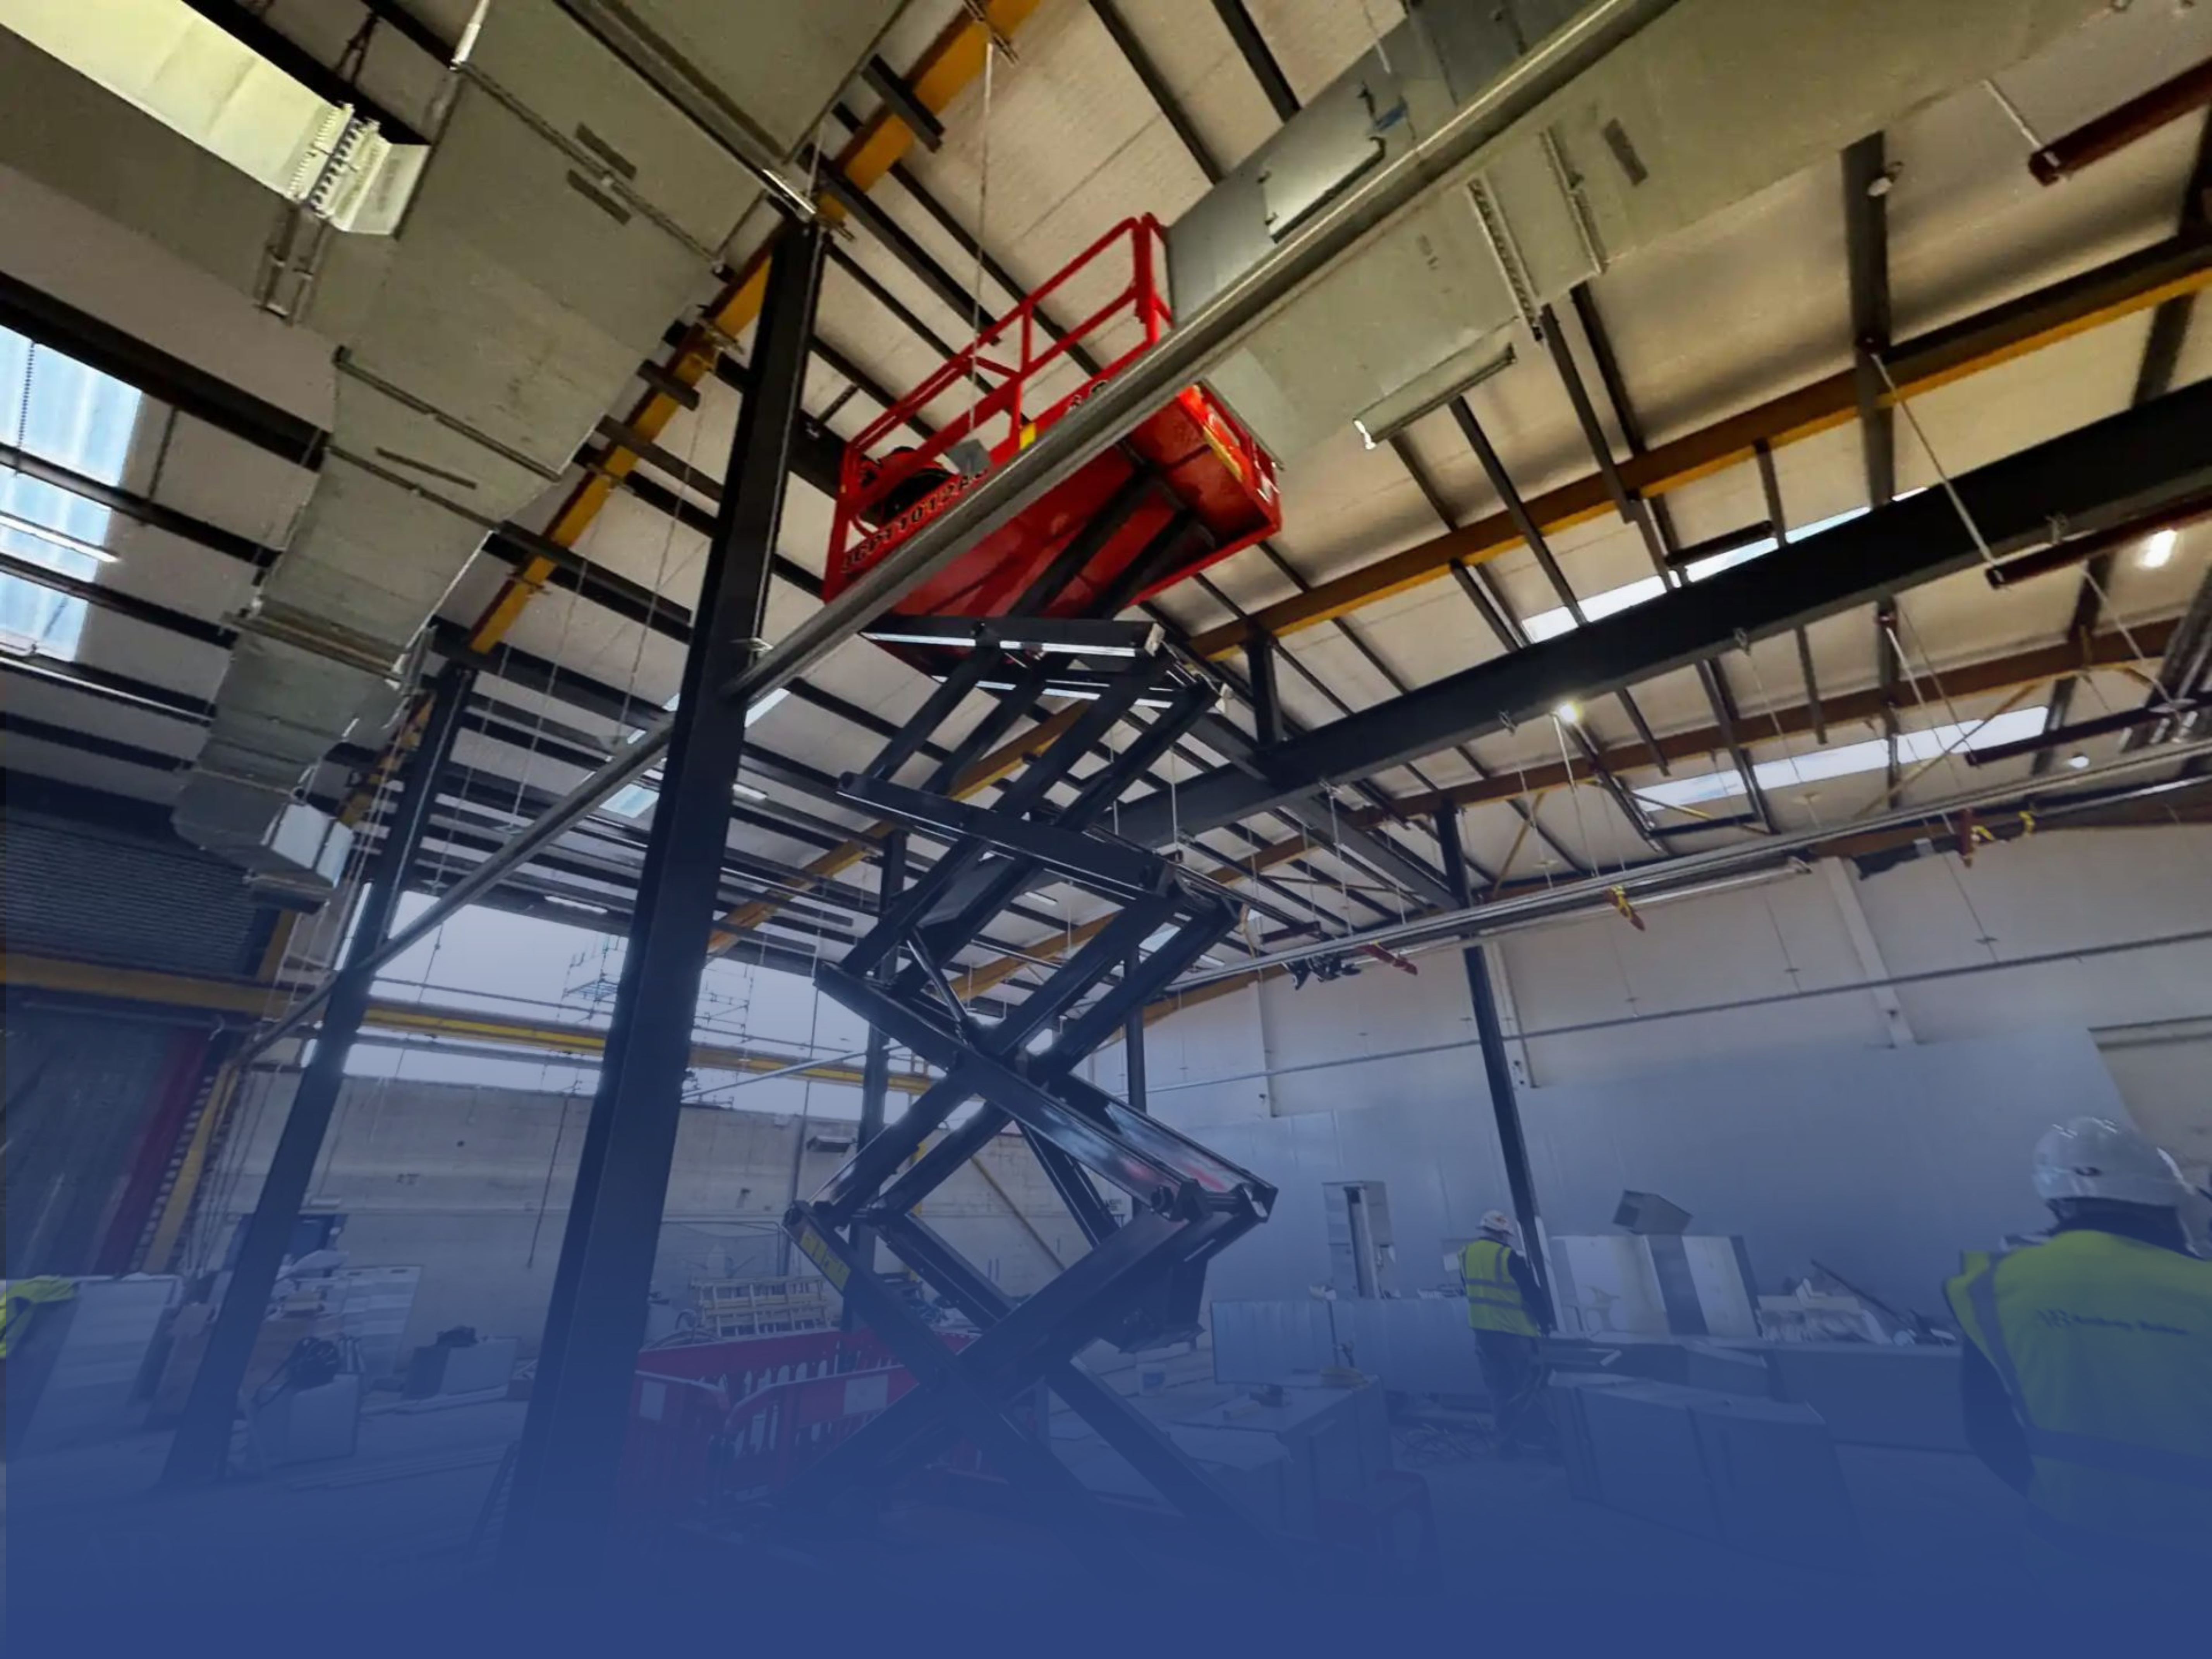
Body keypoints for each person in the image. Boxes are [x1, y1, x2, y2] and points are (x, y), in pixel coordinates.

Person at [1945, 1116, 2210, 1574]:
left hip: (2073, 1561)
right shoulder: (2199, 1286)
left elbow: (1988, 1432)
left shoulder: (1994, 1288)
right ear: (2168, 1200)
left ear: (2057, 1204)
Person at [1461, 1211, 1554, 1457]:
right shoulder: (1508, 1257)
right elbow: (1531, 1293)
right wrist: (1547, 1324)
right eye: (1507, 1235)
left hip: (1483, 1332)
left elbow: (1468, 1288)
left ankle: (1507, 1443)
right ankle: (1546, 1441)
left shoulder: (1466, 1255)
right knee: (1531, 1387)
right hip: (1515, 1332)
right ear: (1502, 1233)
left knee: (1498, 1388)